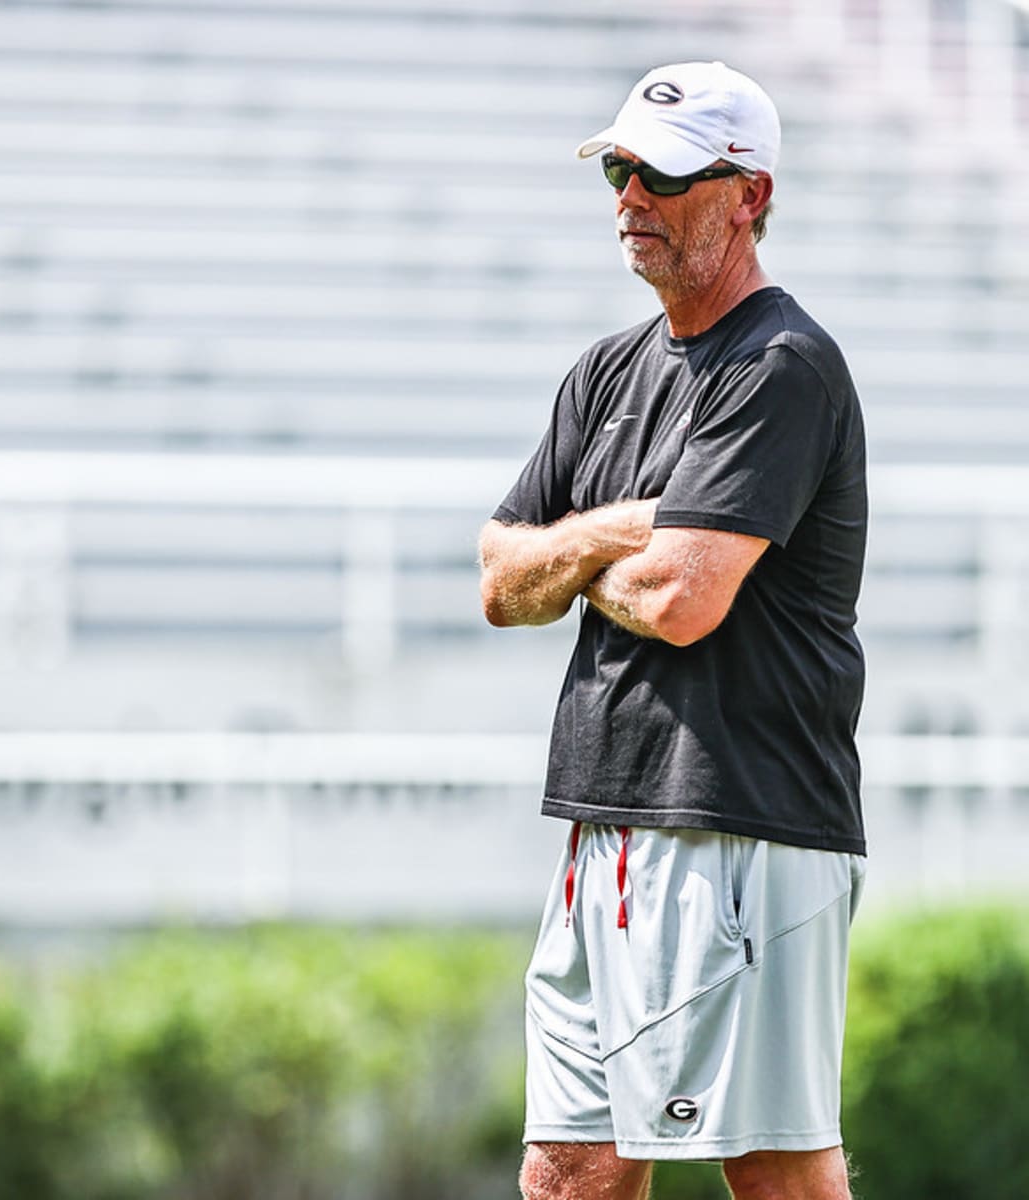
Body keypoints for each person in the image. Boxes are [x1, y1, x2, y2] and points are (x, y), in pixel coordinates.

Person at [478, 61, 867, 1200]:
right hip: (605, 822)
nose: (629, 198)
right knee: (570, 1169)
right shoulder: (603, 373)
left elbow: (681, 604)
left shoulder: (781, 367)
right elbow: (502, 581)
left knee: (774, 1171)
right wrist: (616, 531)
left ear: (749, 193)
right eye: (619, 167)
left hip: (739, 824)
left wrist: (578, 557)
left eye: (665, 174)